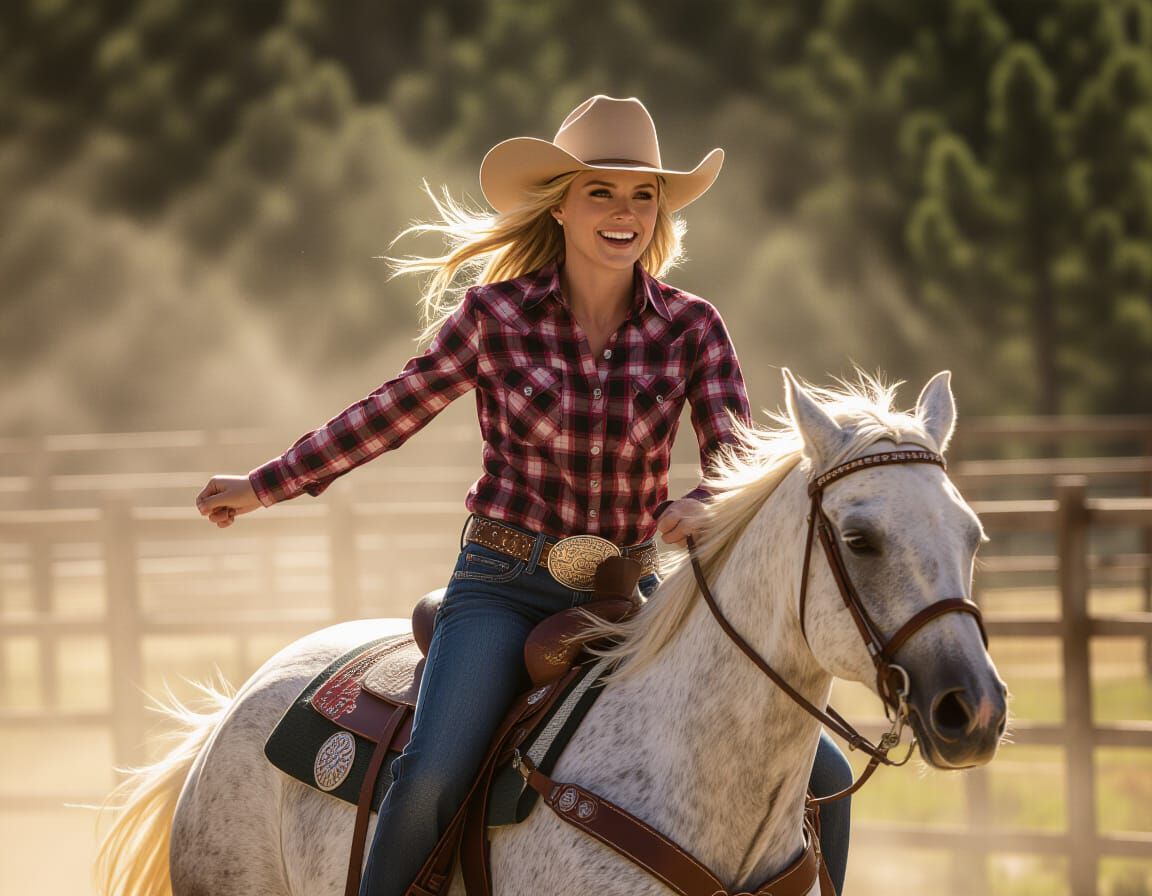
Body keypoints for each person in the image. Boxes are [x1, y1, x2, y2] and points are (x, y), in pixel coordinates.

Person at [195, 95, 853, 896]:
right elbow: (389, 413)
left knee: (824, 771)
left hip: (632, 596)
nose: (625, 212)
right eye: (601, 192)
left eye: (643, 194)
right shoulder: (495, 315)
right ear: (561, 206)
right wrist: (263, 486)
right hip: (503, 586)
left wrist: (703, 504)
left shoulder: (693, 328)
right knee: (432, 774)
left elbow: (734, 462)